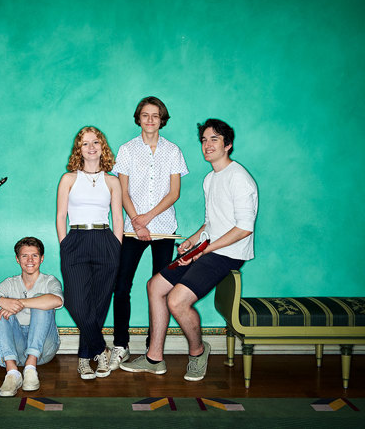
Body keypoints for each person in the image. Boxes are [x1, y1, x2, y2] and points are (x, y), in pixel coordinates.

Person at [120, 118, 258, 382]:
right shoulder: (210, 178)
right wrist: (193, 241)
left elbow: (244, 229)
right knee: (155, 287)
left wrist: (203, 251)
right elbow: (211, 222)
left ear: (228, 145)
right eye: (204, 140)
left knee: (176, 301)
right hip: (207, 248)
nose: (207, 145)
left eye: (214, 139)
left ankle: (197, 351)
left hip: (228, 253)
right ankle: (154, 358)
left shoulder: (239, 178)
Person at [110, 96, 188, 370]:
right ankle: (120, 344)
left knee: (162, 291)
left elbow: (174, 192)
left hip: (164, 229)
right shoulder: (127, 149)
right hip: (133, 229)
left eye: (155, 115)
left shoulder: (173, 150)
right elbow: (122, 191)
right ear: (139, 118)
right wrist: (136, 221)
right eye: (146, 115)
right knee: (121, 287)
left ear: (162, 119)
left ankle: (154, 349)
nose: (151, 120)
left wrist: (149, 219)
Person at [56, 126, 123, 380]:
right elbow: (61, 215)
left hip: (105, 240)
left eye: (96, 142)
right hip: (76, 239)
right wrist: (65, 244)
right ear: (79, 149)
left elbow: (118, 217)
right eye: (85, 143)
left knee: (98, 304)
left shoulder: (112, 180)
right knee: (76, 301)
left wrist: (116, 246)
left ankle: (84, 359)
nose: (91, 147)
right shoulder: (68, 179)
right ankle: (100, 349)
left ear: (102, 146)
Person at [0, 237, 63, 397]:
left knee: (43, 301)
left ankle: (31, 369)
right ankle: (12, 373)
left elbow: (57, 300)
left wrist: (20, 303)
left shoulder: (50, 281)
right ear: (17, 259)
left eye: (34, 255)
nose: (30, 260)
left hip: (44, 349)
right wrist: (0, 301)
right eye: (25, 256)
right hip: (16, 350)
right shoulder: (9, 283)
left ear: (42, 258)